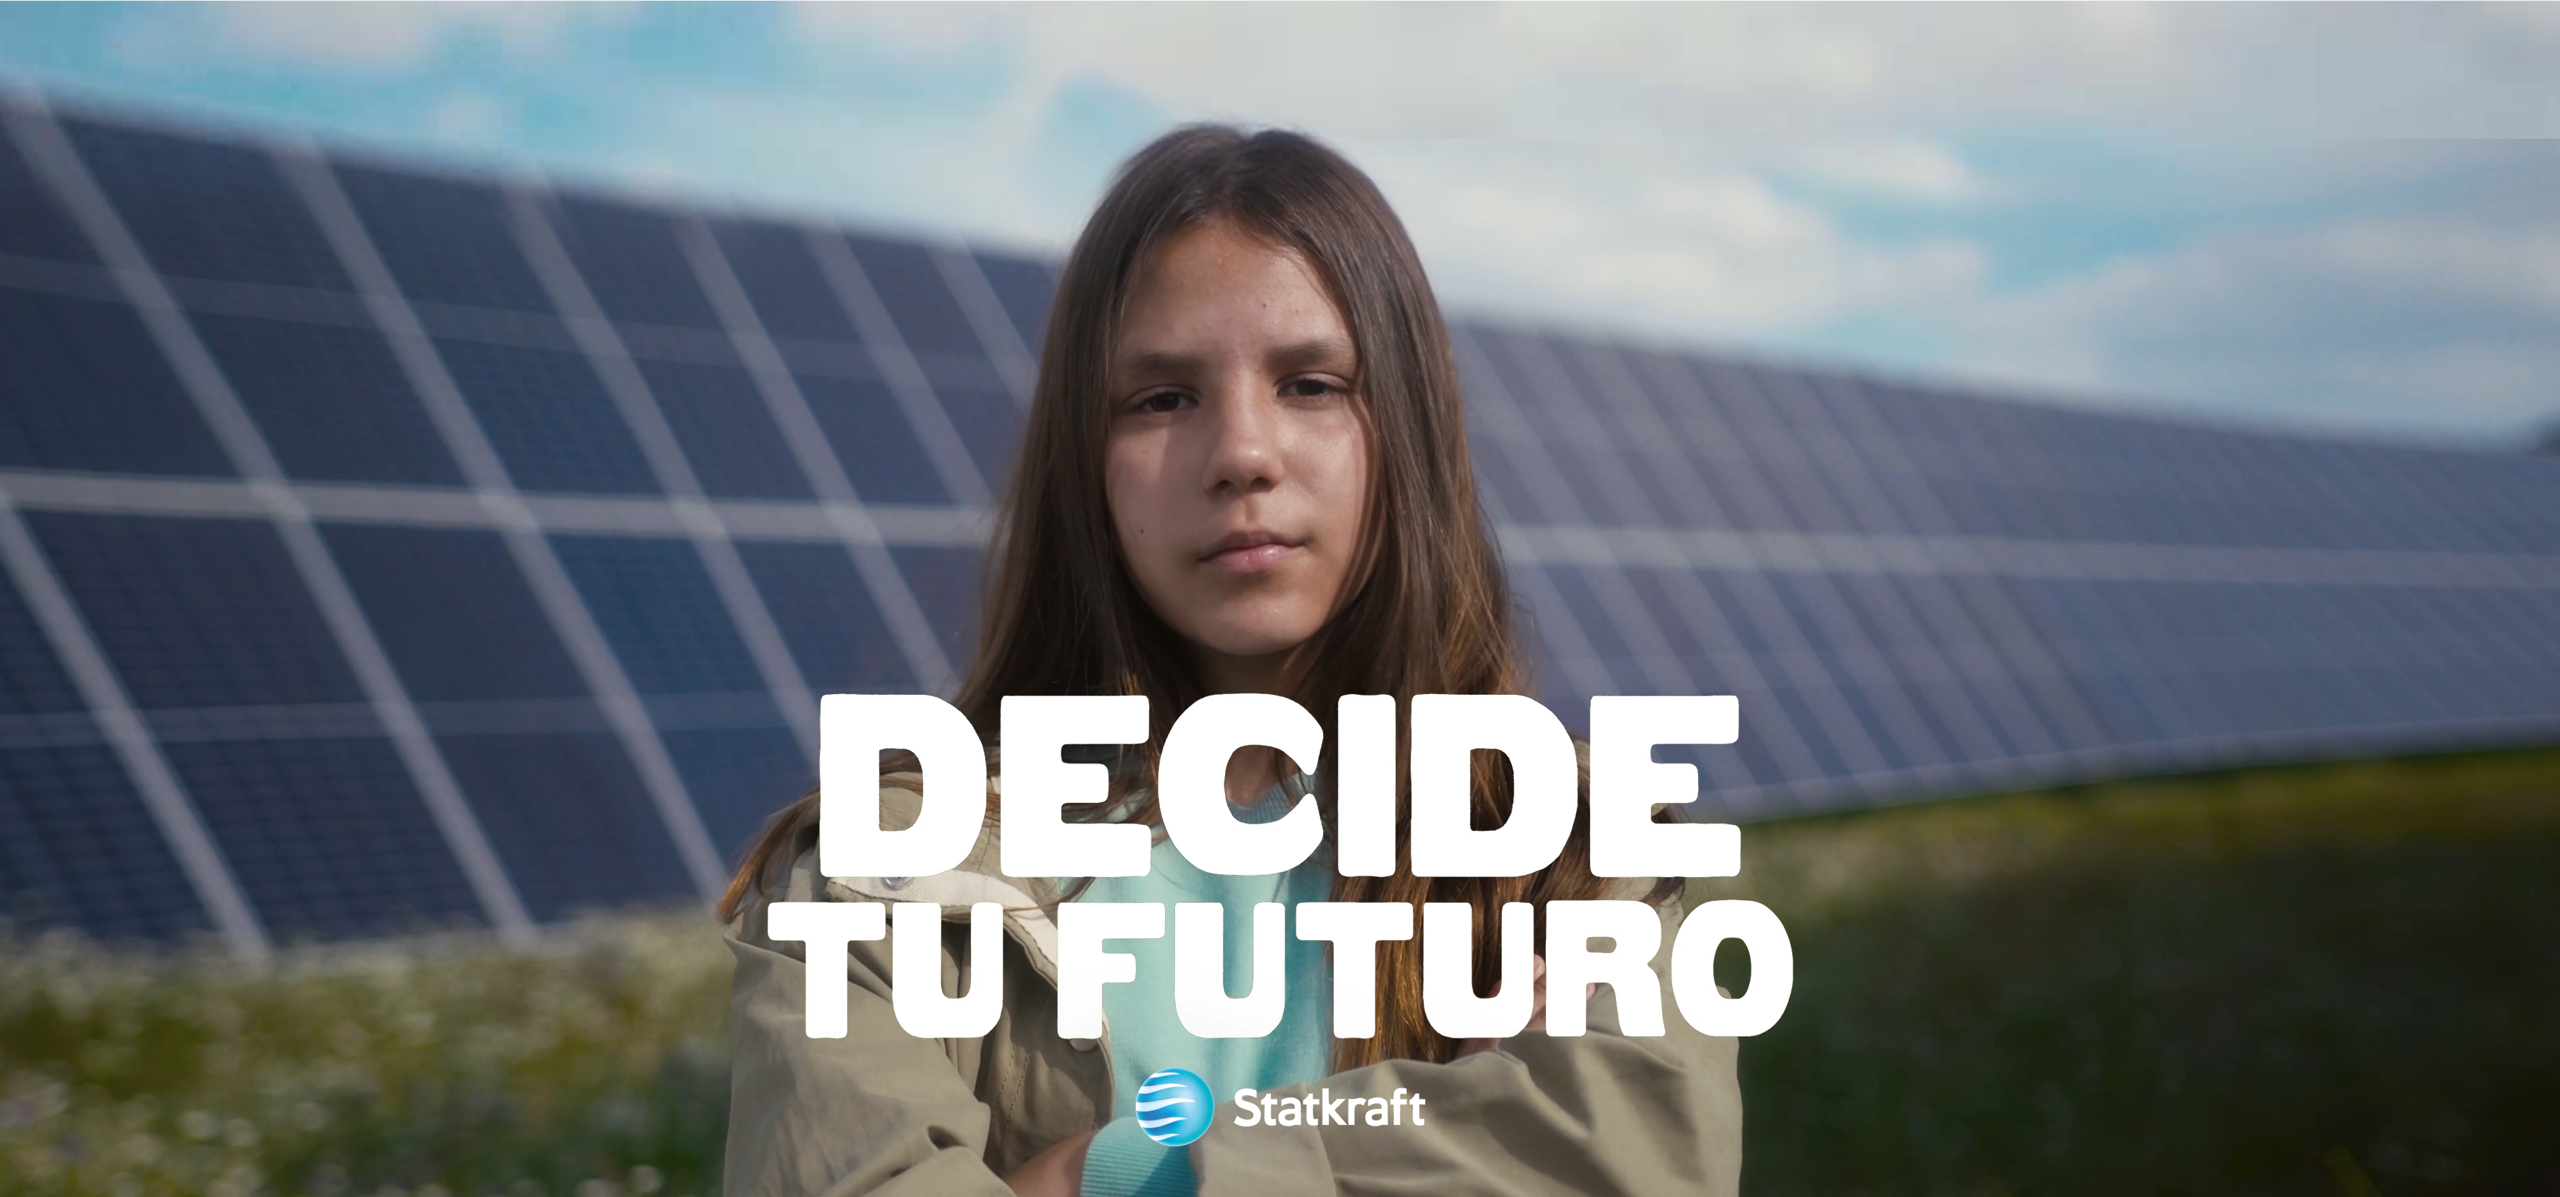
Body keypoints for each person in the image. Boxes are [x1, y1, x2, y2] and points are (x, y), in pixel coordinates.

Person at [716, 123, 1742, 1197]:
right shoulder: (876, 874)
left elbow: (1631, 1161)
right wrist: (1441, 1138)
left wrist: (1101, 1176)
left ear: (1409, 428)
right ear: (1086, 460)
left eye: (1310, 383)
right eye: (1162, 399)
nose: (1241, 455)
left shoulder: (1571, 847)